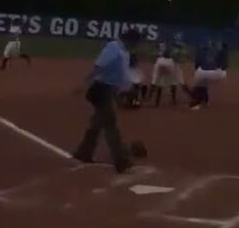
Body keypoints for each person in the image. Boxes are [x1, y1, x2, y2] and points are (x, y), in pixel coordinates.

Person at [71, 28, 144, 173]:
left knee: (97, 124)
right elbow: (99, 66)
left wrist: (127, 89)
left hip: (110, 90)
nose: (136, 45)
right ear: (130, 40)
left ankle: (84, 152)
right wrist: (84, 83)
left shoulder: (124, 52)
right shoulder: (113, 47)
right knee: (111, 125)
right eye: (136, 41)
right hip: (102, 89)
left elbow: (122, 74)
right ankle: (121, 160)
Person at [188, 35, 228, 110]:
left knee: (198, 83)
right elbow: (222, 65)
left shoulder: (204, 52)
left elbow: (197, 65)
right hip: (219, 73)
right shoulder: (218, 52)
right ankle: (205, 101)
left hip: (213, 73)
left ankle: (197, 102)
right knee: (203, 83)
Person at [150, 34, 188, 106]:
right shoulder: (174, 45)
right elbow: (178, 55)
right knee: (175, 82)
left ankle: (153, 99)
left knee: (158, 81)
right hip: (171, 64)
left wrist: (157, 55)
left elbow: (155, 50)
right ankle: (174, 99)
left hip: (162, 62)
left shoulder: (164, 45)